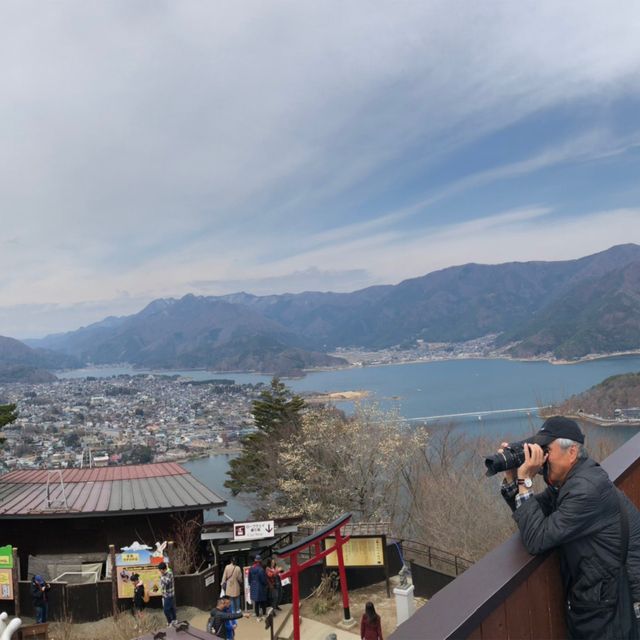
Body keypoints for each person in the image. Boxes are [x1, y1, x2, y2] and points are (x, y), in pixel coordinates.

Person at [499, 416, 640, 639]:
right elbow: (536, 510)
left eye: (547, 450)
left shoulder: (586, 490)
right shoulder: (575, 480)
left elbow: (537, 539)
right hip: (603, 595)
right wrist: (514, 478)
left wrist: (526, 480)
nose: (542, 458)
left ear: (572, 452)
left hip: (610, 603)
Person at [248, 554, 268, 620]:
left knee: (256, 602)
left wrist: (251, 584)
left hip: (253, 586)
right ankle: (264, 614)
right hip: (260, 587)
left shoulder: (251, 569)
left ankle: (257, 615)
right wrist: (266, 584)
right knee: (263, 601)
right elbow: (263, 580)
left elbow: (249, 579)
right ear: (260, 561)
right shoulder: (261, 570)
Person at [158, 561, 177, 626]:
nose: (160, 571)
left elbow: (166, 582)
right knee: (171, 608)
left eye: (161, 570)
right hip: (166, 595)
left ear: (164, 569)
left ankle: (170, 622)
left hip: (169, 595)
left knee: (166, 610)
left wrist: (161, 577)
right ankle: (174, 620)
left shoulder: (169, 573)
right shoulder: (164, 574)